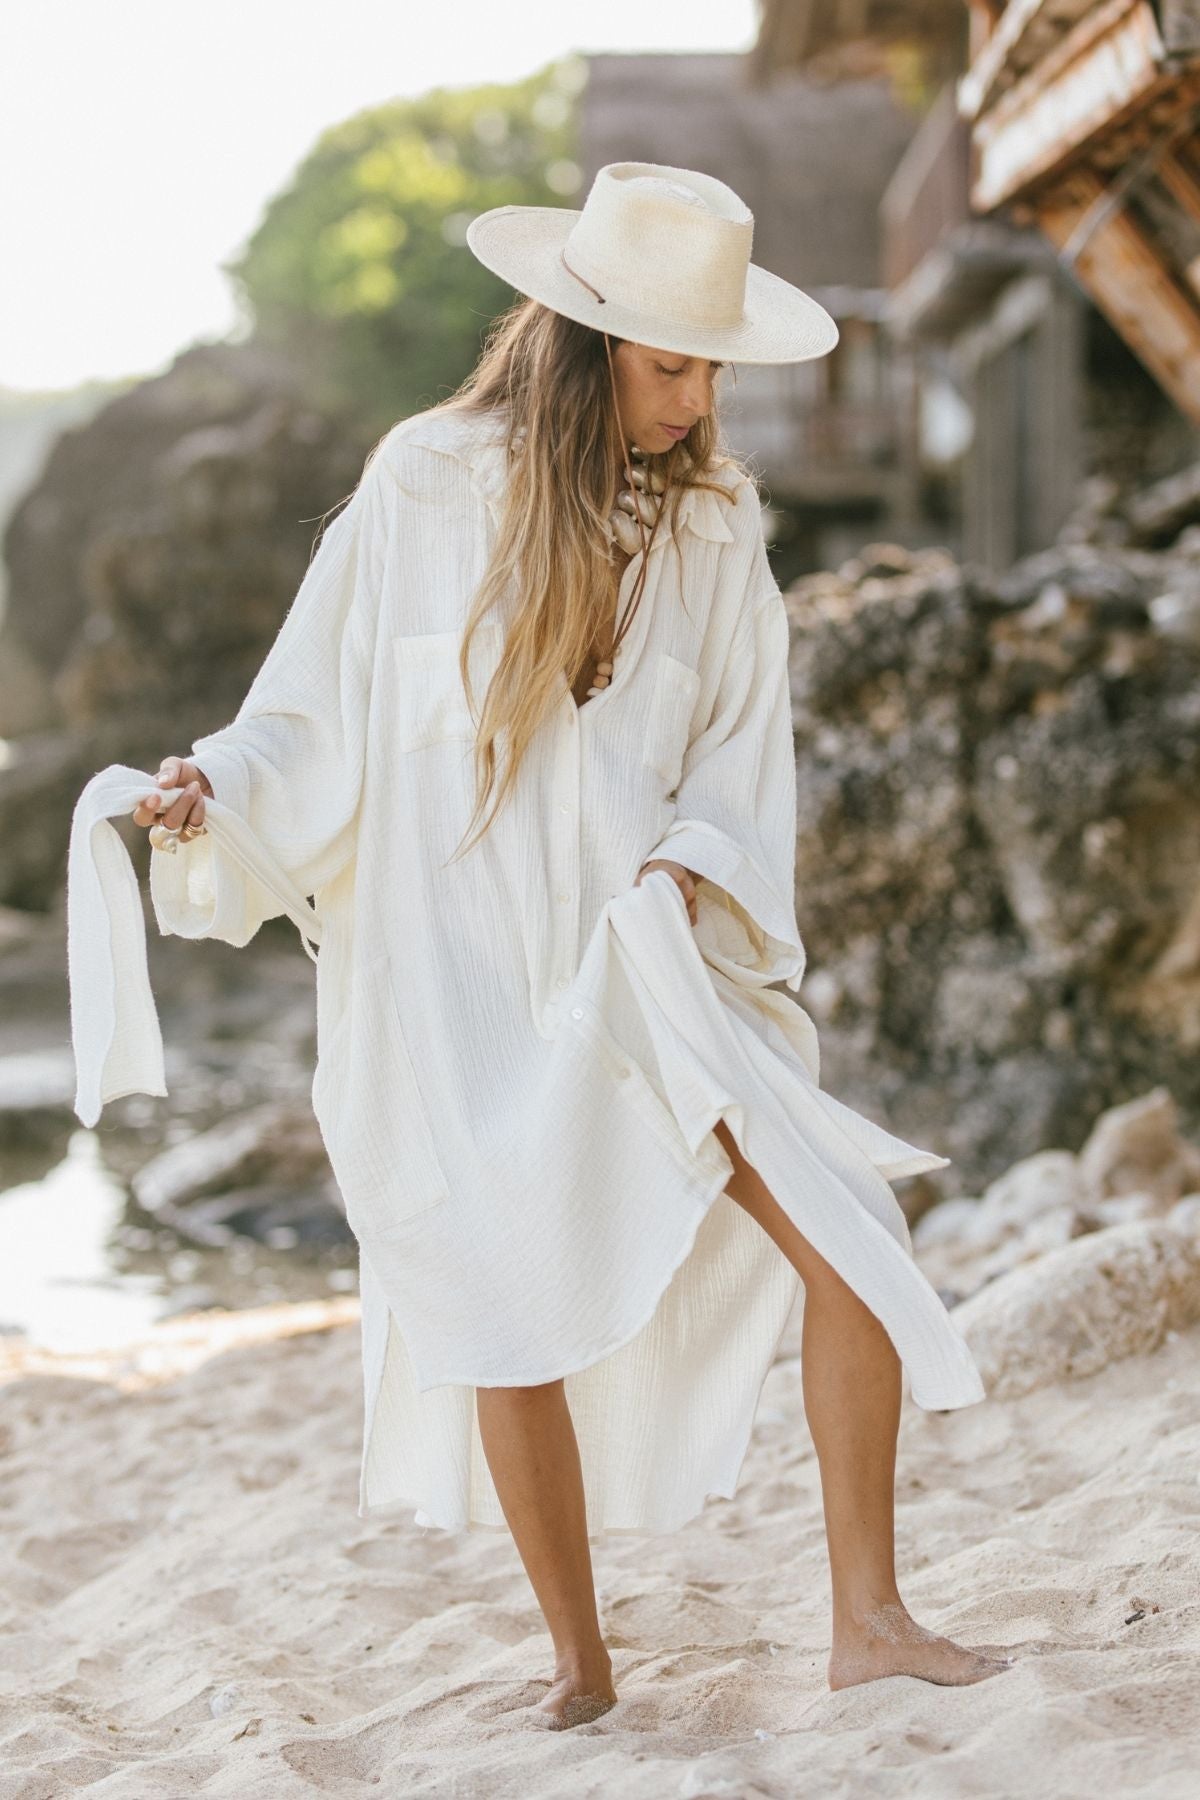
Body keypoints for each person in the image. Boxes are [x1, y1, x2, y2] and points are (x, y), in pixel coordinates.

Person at [126, 162, 1009, 1728]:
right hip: (456, 968)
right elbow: (311, 711)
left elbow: (743, 752)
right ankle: (579, 1665)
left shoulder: (717, 526)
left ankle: (870, 1618)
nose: (700, 394)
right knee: (494, 1297)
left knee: (845, 1231)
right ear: (588, 337)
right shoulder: (423, 483)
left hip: (646, 957)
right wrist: (220, 787)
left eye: (712, 362)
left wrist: (683, 873)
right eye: (675, 361)